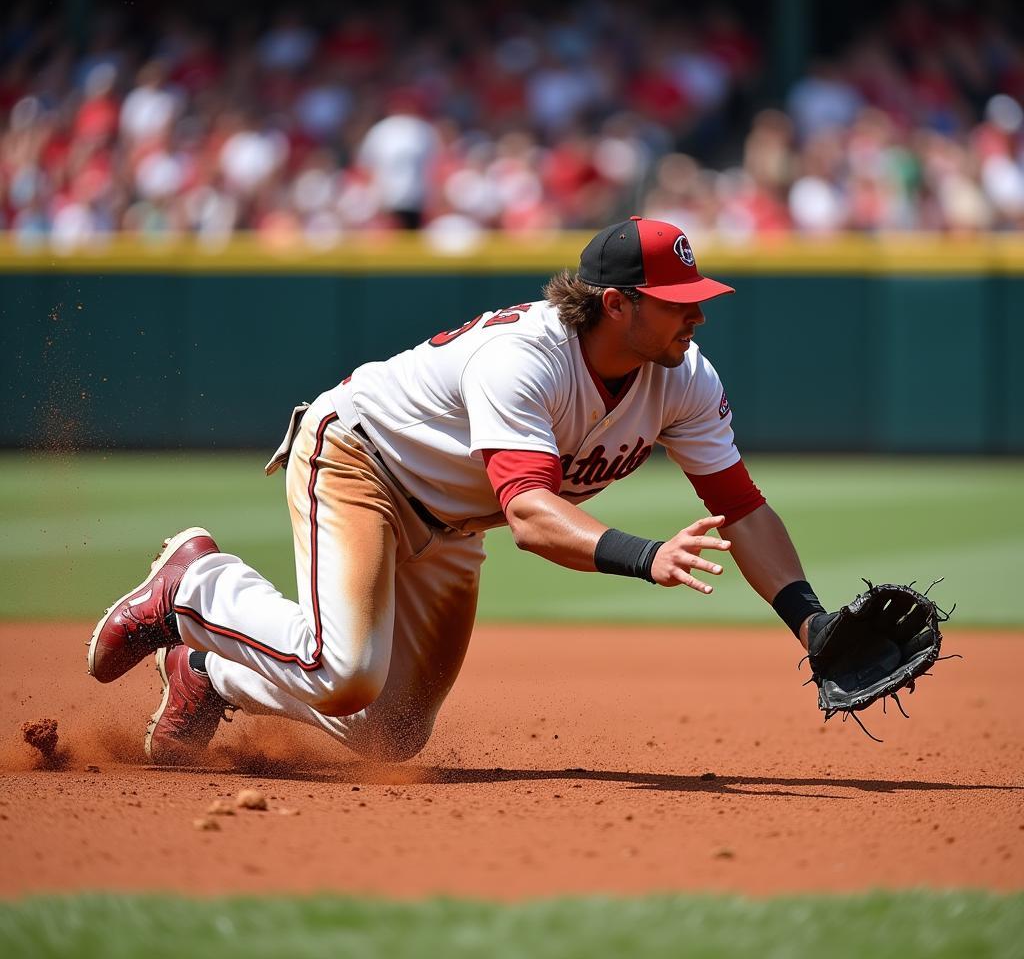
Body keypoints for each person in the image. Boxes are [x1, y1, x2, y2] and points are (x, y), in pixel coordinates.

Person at [87, 216, 827, 764]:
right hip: (362, 462)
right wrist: (645, 555)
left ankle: (208, 676)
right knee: (343, 672)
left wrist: (811, 623)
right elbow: (534, 519)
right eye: (676, 300)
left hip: (454, 521)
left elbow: (743, 509)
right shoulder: (525, 359)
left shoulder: (684, 376)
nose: (696, 314)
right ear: (615, 304)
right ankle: (196, 587)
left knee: (389, 735)